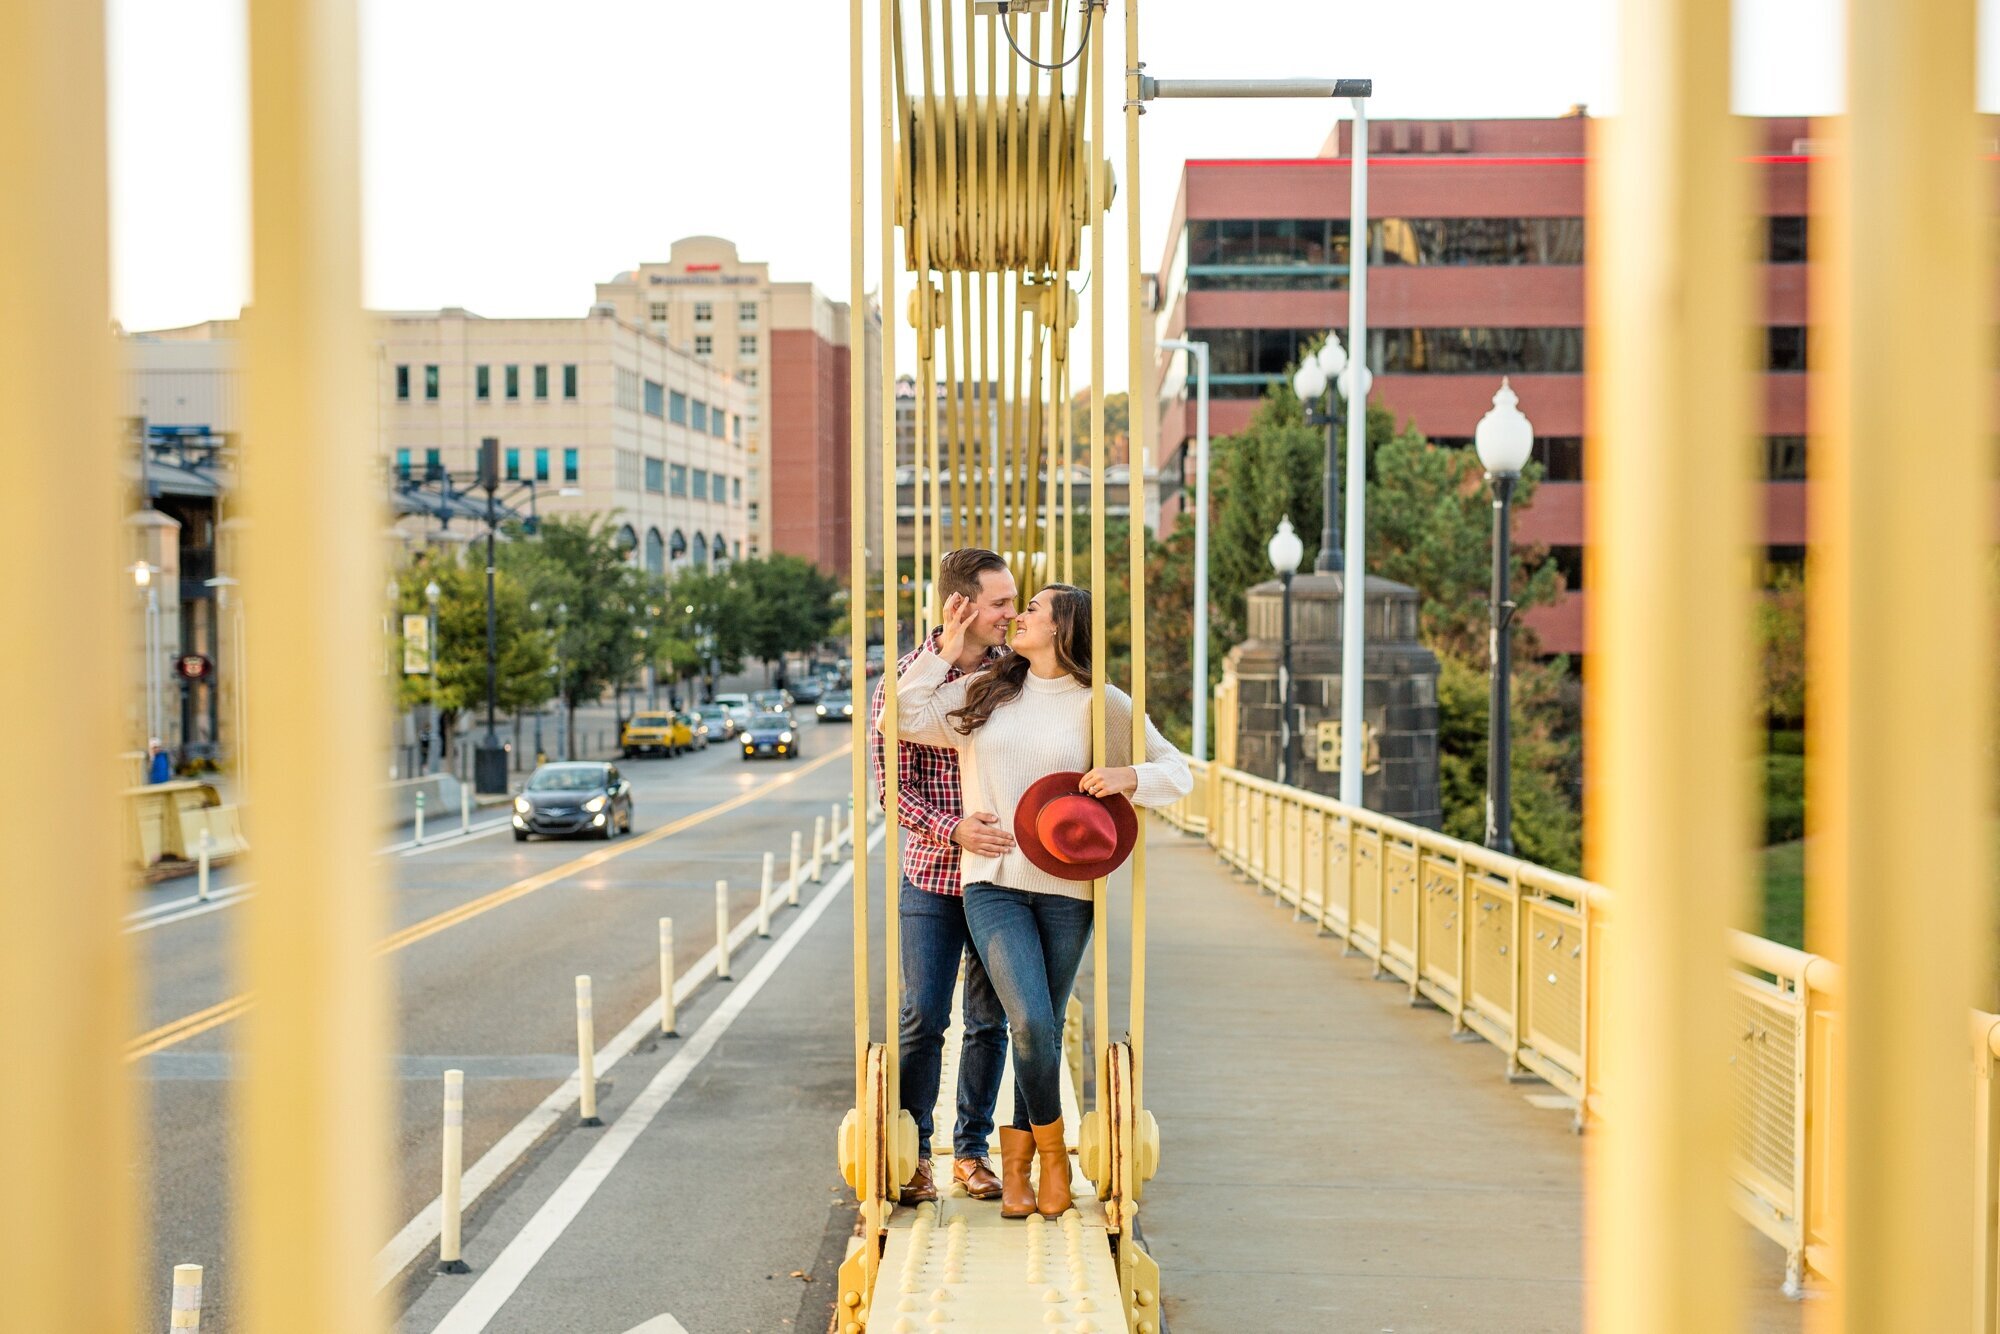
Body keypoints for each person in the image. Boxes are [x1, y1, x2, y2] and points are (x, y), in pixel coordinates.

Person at [889, 584, 1191, 1218]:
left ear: (1062, 628)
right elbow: (904, 715)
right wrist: (945, 643)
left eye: (1033, 610)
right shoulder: (986, 690)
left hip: (1067, 890)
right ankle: (1053, 1158)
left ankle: (1022, 1167)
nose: (1018, 617)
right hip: (991, 881)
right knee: (1025, 1020)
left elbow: (1179, 771)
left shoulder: (1099, 704)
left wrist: (1127, 776)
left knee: (1045, 1029)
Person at [868, 547, 1019, 1205]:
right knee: (922, 1015)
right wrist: (951, 828)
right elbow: (887, 789)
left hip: (1001, 875)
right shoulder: (900, 684)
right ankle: (911, 1154)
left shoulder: (1013, 679)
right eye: (1002, 603)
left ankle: (971, 1152)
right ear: (960, 606)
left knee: (990, 1020)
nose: (1012, 615)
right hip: (932, 873)